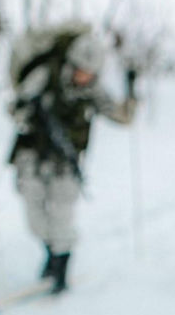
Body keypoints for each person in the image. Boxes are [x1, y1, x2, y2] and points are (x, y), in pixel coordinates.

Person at [8, 22, 136, 294]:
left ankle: (60, 268)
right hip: (33, 154)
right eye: (80, 70)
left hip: (66, 162)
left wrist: (132, 88)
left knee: (62, 217)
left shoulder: (93, 89)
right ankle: (51, 254)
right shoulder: (46, 75)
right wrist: (27, 111)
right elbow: (15, 107)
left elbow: (121, 116)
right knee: (36, 220)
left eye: (89, 73)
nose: (83, 77)